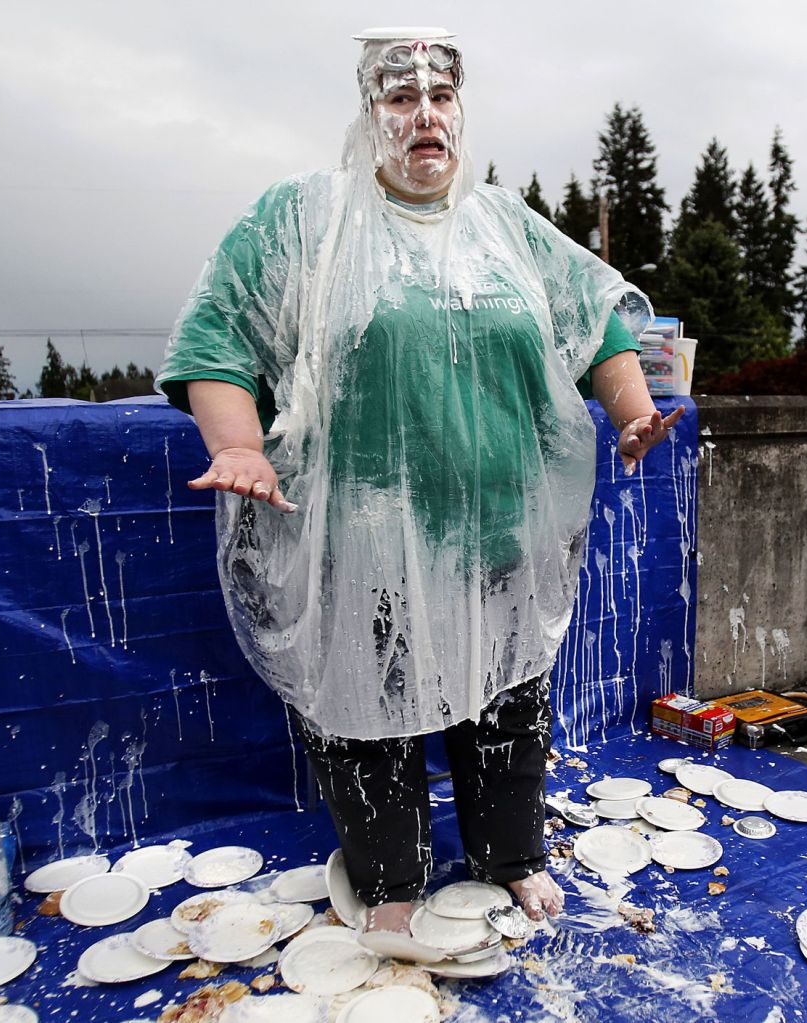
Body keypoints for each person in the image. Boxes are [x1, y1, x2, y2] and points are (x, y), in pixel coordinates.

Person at [157, 27, 683, 953]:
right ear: (369, 114)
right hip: (362, 537)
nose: (424, 114)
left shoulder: (503, 224)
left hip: (503, 530)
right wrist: (238, 443)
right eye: (401, 97)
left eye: (440, 95)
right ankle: (390, 878)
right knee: (366, 709)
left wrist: (632, 410)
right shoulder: (304, 220)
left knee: (508, 700)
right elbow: (217, 336)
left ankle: (510, 854)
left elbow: (592, 320)